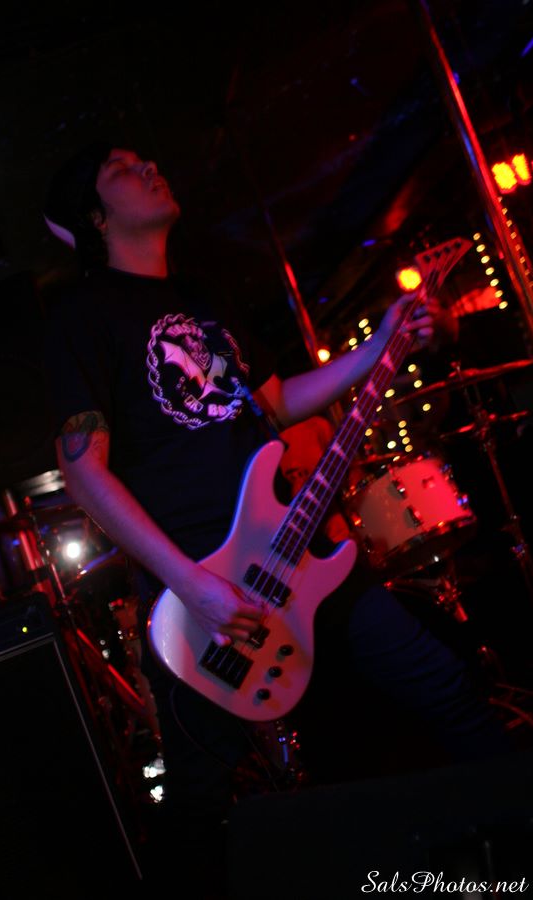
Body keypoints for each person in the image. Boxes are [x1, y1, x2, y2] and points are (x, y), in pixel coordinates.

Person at [42, 142, 512, 897]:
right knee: (202, 803)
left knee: (445, 689)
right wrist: (192, 585)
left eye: (147, 158)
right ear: (96, 218)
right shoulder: (81, 315)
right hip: (208, 586)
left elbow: (277, 401)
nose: (151, 166)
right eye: (123, 169)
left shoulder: (200, 295)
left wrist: (382, 342)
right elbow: (83, 470)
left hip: (302, 553)